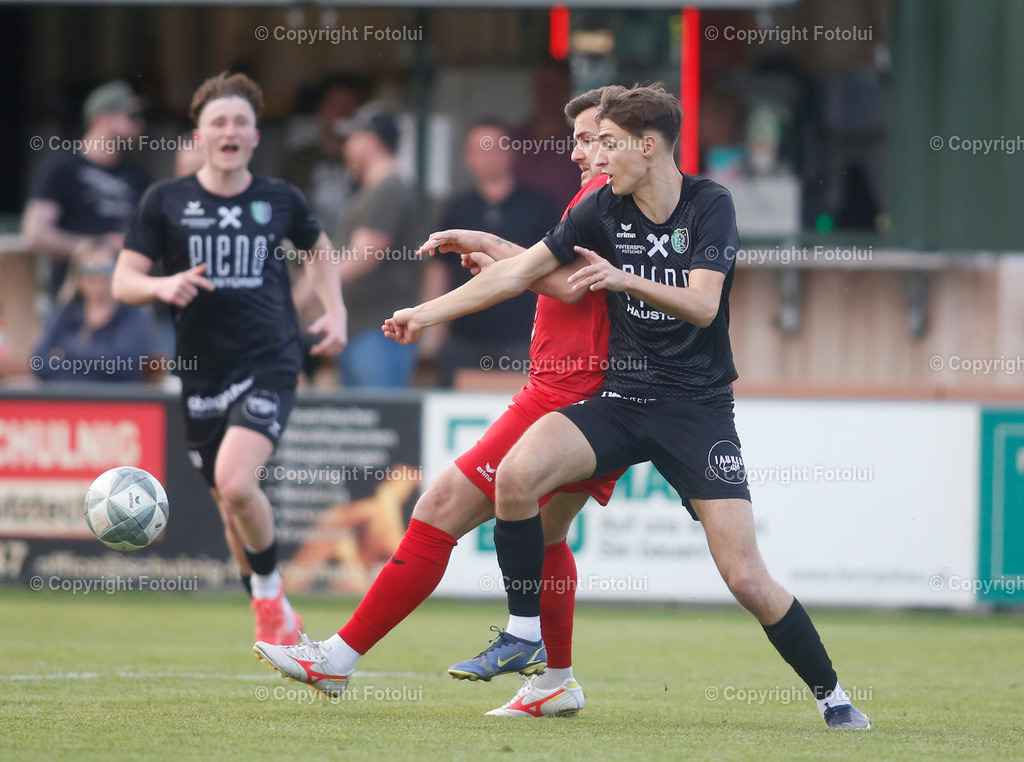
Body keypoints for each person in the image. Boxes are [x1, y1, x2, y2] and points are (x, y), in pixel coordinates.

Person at [377, 84, 869, 729]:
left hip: (695, 409)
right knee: (518, 477)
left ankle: (833, 697)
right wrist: (423, 313)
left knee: (746, 577)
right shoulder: (602, 207)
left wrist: (623, 278)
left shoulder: (710, 203)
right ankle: (524, 631)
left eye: (607, 143)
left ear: (648, 145)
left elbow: (702, 305)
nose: (596, 156)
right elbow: (519, 273)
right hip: (620, 397)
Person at [253, 87, 626, 718]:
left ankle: (337, 658)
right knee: (547, 535)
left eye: (592, 138)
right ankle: (555, 680)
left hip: (564, 391)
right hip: (589, 389)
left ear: (624, 142)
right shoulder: (606, 197)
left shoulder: (603, 197)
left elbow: (562, 283)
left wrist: (424, 314)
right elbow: (561, 281)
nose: (579, 150)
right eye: (578, 139)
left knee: (439, 506)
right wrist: (498, 248)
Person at [112, 72, 347, 646]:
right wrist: (162, 287)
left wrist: (334, 312)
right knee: (228, 505)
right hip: (200, 375)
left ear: (255, 136)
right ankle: (275, 611)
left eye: (241, 121)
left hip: (270, 357)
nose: (230, 130)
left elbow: (318, 250)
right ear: (199, 135)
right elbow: (123, 281)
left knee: (237, 484)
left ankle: (269, 598)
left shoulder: (279, 199)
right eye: (219, 122)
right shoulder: (164, 201)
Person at [425, 119, 555, 386]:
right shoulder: (457, 209)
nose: (490, 156)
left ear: (512, 152)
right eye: (481, 149)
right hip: (463, 335)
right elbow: (438, 269)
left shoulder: (539, 206)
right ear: (467, 157)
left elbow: (554, 268)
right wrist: (432, 329)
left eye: (497, 147)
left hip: (522, 338)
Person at [22, 81, 151, 296]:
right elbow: (35, 235)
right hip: (75, 298)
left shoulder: (139, 175)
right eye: (132, 117)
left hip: (124, 298)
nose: (141, 125)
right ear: (103, 119)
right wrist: (99, 247)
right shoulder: (62, 168)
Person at [332, 106, 421, 388]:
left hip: (378, 333)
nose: (346, 147)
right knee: (365, 424)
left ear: (370, 141)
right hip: (366, 331)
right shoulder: (374, 191)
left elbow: (364, 255)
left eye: (351, 138)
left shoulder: (388, 190)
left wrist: (308, 288)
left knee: (380, 422)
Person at [31, 239, 154, 383]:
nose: (98, 276)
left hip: (115, 402)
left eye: (107, 268)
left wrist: (67, 352)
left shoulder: (133, 314)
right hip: (67, 400)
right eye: (89, 270)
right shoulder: (64, 312)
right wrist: (102, 357)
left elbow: (126, 367)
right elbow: (38, 364)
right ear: (78, 278)